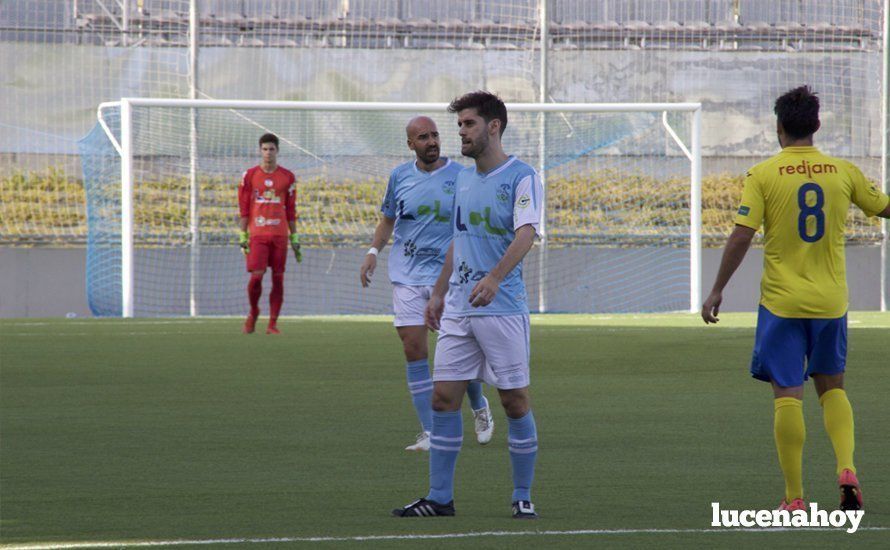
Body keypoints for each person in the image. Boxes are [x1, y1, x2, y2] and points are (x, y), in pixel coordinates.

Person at [701, 85, 890, 512]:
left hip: (782, 304)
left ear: (779, 127)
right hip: (831, 303)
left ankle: (795, 498)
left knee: (787, 395)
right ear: (816, 126)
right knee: (833, 389)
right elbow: (884, 207)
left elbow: (742, 234)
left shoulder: (763, 175)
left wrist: (717, 289)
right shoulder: (843, 172)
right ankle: (846, 467)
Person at [393, 91, 543, 519]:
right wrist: (439, 291)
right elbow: (458, 239)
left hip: (502, 307)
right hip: (459, 306)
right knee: (443, 399)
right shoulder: (461, 178)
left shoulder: (522, 176)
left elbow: (526, 233)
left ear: (493, 126)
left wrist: (495, 278)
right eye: (458, 125)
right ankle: (439, 497)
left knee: (514, 402)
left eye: (469, 124)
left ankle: (522, 495)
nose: (460, 132)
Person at [360, 116, 494, 452]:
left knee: (456, 353)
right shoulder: (400, 177)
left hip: (449, 276)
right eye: (423, 137)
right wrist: (373, 250)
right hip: (407, 275)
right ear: (410, 144)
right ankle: (431, 433)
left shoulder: (462, 176)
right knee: (413, 348)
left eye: (435, 135)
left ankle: (479, 407)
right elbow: (388, 217)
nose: (432, 141)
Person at [238, 133, 302, 335]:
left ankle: (272, 323)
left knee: (278, 278)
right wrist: (242, 235)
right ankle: (254, 311)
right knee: (256, 277)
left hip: (279, 235)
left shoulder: (287, 177)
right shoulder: (249, 176)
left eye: (271, 149)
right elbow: (244, 207)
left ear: (277, 151)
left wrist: (294, 237)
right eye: (264, 149)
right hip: (257, 234)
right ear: (260, 150)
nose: (268, 153)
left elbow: (291, 210)